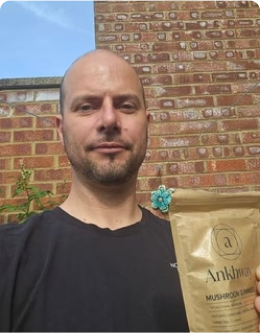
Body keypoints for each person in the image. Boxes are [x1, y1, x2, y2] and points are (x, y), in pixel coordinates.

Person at [0, 49, 190, 333]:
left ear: (147, 125)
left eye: (126, 105)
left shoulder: (194, 255)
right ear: (61, 129)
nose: (110, 120)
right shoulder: (8, 257)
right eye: (87, 107)